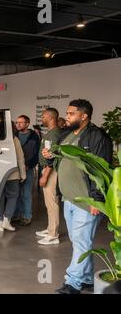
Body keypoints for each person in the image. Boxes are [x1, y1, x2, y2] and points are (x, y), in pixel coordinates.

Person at [42, 99, 112, 294]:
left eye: (71, 113)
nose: (68, 116)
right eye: (68, 112)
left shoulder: (98, 137)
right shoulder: (67, 135)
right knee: (79, 241)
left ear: (84, 116)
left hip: (86, 201)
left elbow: (101, 171)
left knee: (82, 241)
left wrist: (97, 199)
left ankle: (72, 283)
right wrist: (51, 155)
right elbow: (63, 157)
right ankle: (87, 279)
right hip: (69, 199)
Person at [36, 108, 62, 245]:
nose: (42, 118)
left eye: (44, 116)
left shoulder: (53, 135)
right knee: (48, 202)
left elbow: (51, 158)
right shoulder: (51, 133)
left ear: (51, 117)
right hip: (47, 170)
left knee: (52, 202)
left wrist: (45, 176)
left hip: (49, 171)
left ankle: (53, 235)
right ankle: (50, 228)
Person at [0, 121, 26, 232]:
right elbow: (20, 157)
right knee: (13, 196)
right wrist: (23, 174)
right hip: (11, 174)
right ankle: (6, 220)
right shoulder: (14, 139)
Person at [14, 115, 40, 226]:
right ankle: (17, 214)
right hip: (15, 169)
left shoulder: (34, 136)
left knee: (26, 193)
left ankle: (26, 216)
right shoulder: (14, 136)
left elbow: (37, 153)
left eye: (21, 122)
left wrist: (29, 165)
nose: (18, 124)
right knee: (16, 193)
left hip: (28, 169)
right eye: (17, 122)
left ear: (27, 123)